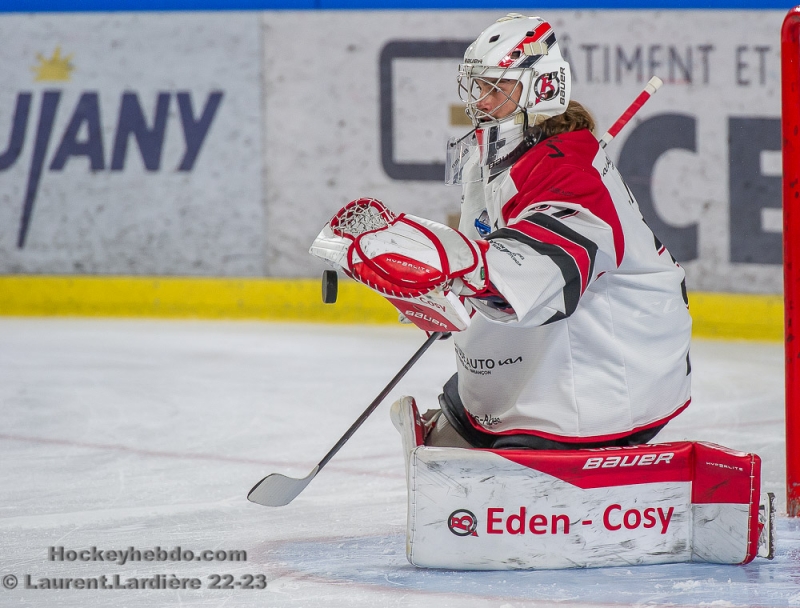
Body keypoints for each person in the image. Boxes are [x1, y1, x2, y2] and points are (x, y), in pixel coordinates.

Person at [311, 13, 691, 451]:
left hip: (605, 382)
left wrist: (456, 266)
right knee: (470, 410)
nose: (482, 102)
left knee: (485, 453)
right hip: (558, 359)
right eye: (479, 86)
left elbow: (545, 266)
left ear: (541, 88)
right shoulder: (494, 156)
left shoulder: (570, 171)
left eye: (497, 88)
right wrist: (444, 293)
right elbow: (486, 245)